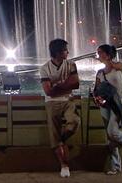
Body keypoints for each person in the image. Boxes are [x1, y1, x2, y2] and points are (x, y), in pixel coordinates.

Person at [40, 38, 80, 178]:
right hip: (51, 103)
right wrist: (65, 84)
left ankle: (60, 140)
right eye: (65, 50)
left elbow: (76, 83)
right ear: (57, 52)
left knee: (74, 122)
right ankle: (64, 165)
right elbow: (48, 92)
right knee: (54, 133)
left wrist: (56, 86)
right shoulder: (45, 68)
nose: (68, 52)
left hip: (68, 100)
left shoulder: (71, 64)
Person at [93, 44, 122, 175]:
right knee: (110, 137)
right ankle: (115, 166)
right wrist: (97, 98)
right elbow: (97, 89)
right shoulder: (99, 73)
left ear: (108, 54)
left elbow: (117, 66)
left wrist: (108, 61)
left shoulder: (118, 66)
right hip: (105, 105)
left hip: (118, 104)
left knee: (112, 132)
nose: (98, 54)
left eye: (100, 52)